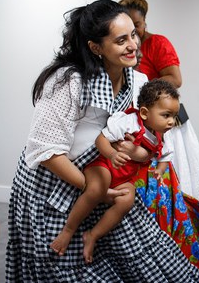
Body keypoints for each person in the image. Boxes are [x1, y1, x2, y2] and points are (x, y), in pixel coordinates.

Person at [5, 0, 199, 282]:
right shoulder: (68, 81)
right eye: (121, 39)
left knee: (142, 257)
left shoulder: (137, 81)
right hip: (54, 189)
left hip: (106, 180)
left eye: (133, 35)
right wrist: (94, 189)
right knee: (66, 268)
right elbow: (46, 152)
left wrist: (138, 155)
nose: (133, 45)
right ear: (96, 47)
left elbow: (144, 130)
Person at [50, 79, 179, 264]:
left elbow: (166, 155)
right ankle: (68, 230)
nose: (171, 122)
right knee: (96, 189)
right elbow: (101, 140)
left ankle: (93, 235)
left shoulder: (162, 135)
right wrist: (111, 154)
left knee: (127, 200)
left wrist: (159, 170)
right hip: (104, 165)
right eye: (166, 115)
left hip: (124, 177)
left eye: (174, 116)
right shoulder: (129, 123)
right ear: (144, 113)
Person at [119, 0, 199, 204]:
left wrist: (142, 85)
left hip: (163, 121)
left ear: (144, 22)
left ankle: (180, 222)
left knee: (174, 173)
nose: (134, 35)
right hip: (142, 121)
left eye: (137, 26)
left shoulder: (158, 43)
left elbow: (175, 79)